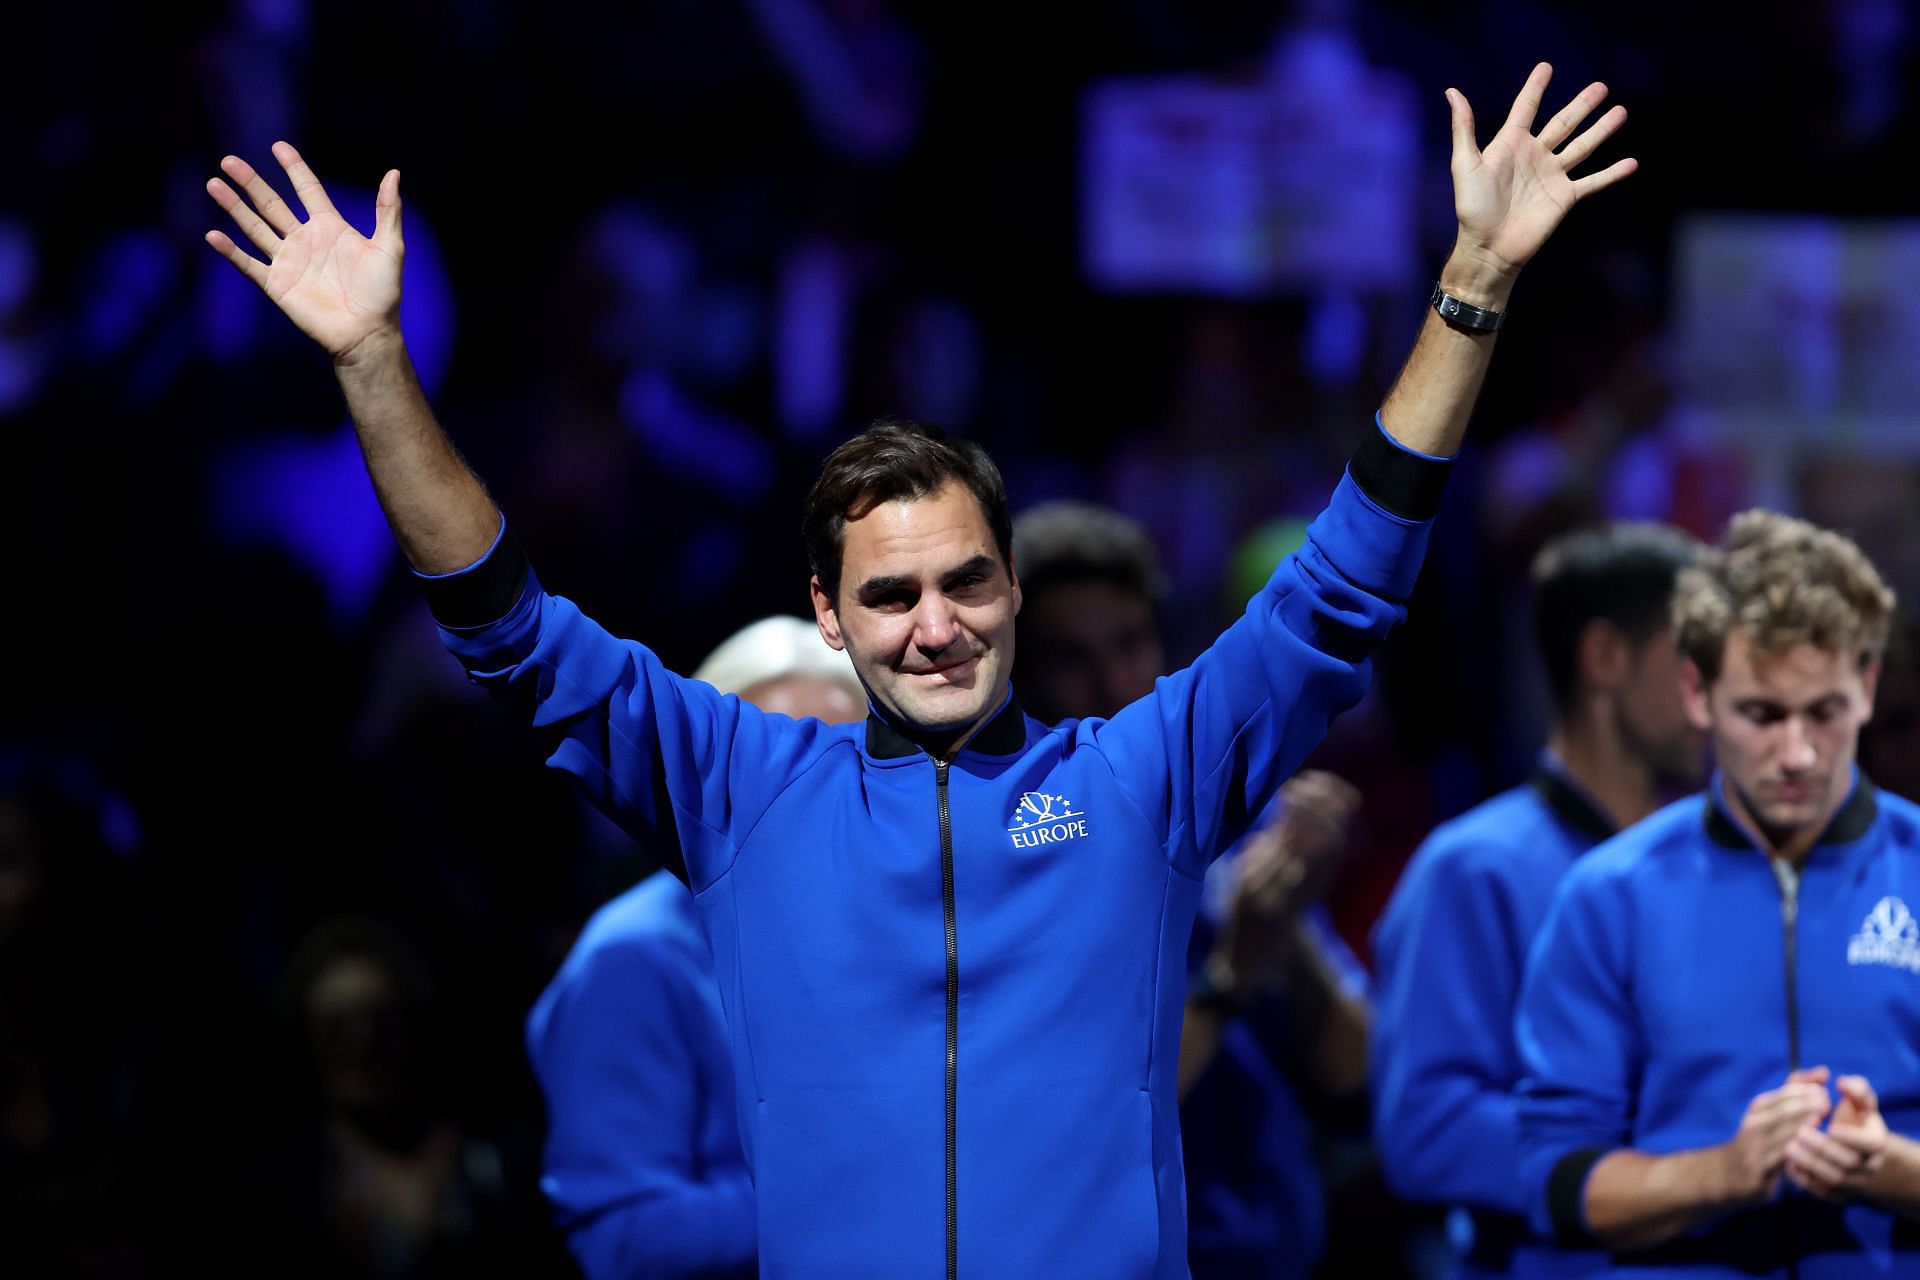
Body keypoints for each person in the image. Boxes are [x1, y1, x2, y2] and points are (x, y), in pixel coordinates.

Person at [206, 63, 1634, 1277]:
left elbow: (1344, 587)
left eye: (966, 582)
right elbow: (504, 626)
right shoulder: (741, 783)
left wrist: (1474, 279)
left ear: (1011, 588)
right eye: (890, 596)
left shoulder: (1141, 774)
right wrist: (373, 363)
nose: (935, 625)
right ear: (827, 615)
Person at [1517, 511, 1920, 1276]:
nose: (1797, 753)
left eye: (1825, 713)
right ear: (1699, 694)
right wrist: (1726, 1172)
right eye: (1762, 715)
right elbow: (1557, 1182)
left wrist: (1897, 1171)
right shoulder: (1610, 895)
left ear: (1867, 689)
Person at [1012, 500, 1370, 1278]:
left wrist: (1289, 922)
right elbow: (1088, 1126)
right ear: (1017, 677)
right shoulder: (1015, 857)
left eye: (1131, 643)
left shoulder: (1234, 812)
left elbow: (1356, 1076)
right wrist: (1234, 971)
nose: (1112, 683)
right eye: (1070, 657)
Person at [1370, 522, 1705, 1278]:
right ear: (1604, 657)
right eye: (1689, 659)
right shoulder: (1474, 867)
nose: (1711, 695)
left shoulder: (1708, 859)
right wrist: (1662, 1156)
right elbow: (1426, 1128)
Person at [526, 616, 865, 1279]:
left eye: (837, 765)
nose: (800, 799)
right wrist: (866, 1199)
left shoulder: (901, 928)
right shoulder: (634, 961)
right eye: (767, 767)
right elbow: (621, 1235)